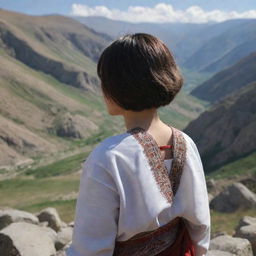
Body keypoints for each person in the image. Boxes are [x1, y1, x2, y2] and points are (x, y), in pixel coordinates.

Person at [66, 33, 210, 256]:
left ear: (117, 85)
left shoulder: (108, 157)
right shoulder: (186, 142)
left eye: (105, 79)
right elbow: (200, 225)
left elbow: (90, 248)